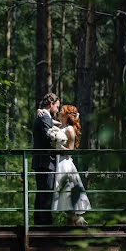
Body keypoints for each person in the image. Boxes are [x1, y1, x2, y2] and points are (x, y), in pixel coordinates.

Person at [49, 104, 91, 226]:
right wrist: (40, 110)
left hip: (65, 163)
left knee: (66, 193)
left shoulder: (70, 129)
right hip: (57, 161)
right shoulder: (60, 125)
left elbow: (70, 151)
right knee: (62, 194)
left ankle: (77, 221)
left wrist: (58, 145)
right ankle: (73, 222)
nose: (59, 110)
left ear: (67, 114)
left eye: (62, 110)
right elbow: (47, 120)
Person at [31, 93, 60, 225]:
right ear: (51, 104)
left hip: (42, 161)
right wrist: (59, 140)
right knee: (46, 192)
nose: (58, 110)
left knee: (42, 192)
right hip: (45, 161)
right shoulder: (44, 118)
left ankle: (40, 221)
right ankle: (45, 223)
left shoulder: (44, 116)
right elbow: (48, 138)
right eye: (57, 106)